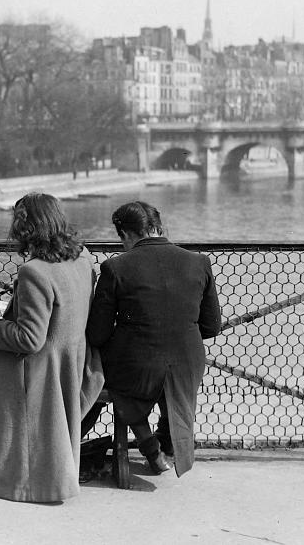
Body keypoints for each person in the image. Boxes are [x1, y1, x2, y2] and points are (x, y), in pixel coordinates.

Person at [0, 192, 98, 503]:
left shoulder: (34, 271)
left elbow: (30, 339)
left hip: (37, 370)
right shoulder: (82, 258)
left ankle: (19, 484)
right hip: (71, 360)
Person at [85, 201, 221, 477]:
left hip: (136, 365)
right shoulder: (199, 262)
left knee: (122, 380)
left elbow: (97, 333)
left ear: (124, 234)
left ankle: (150, 446)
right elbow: (211, 326)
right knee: (174, 384)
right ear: (157, 226)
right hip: (187, 362)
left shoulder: (114, 268)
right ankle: (169, 446)